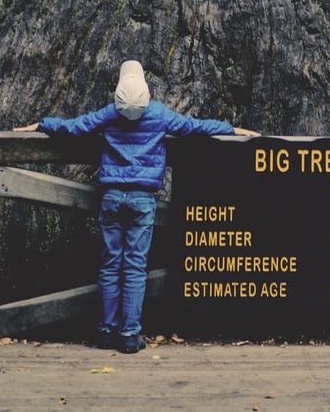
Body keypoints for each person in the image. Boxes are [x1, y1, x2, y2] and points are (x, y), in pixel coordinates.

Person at [16, 60, 257, 353]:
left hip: (112, 198)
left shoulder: (109, 114)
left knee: (109, 265)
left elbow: (74, 127)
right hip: (143, 200)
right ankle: (130, 335)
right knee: (134, 267)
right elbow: (194, 128)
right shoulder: (158, 114)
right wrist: (231, 129)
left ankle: (106, 331)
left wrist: (43, 124)